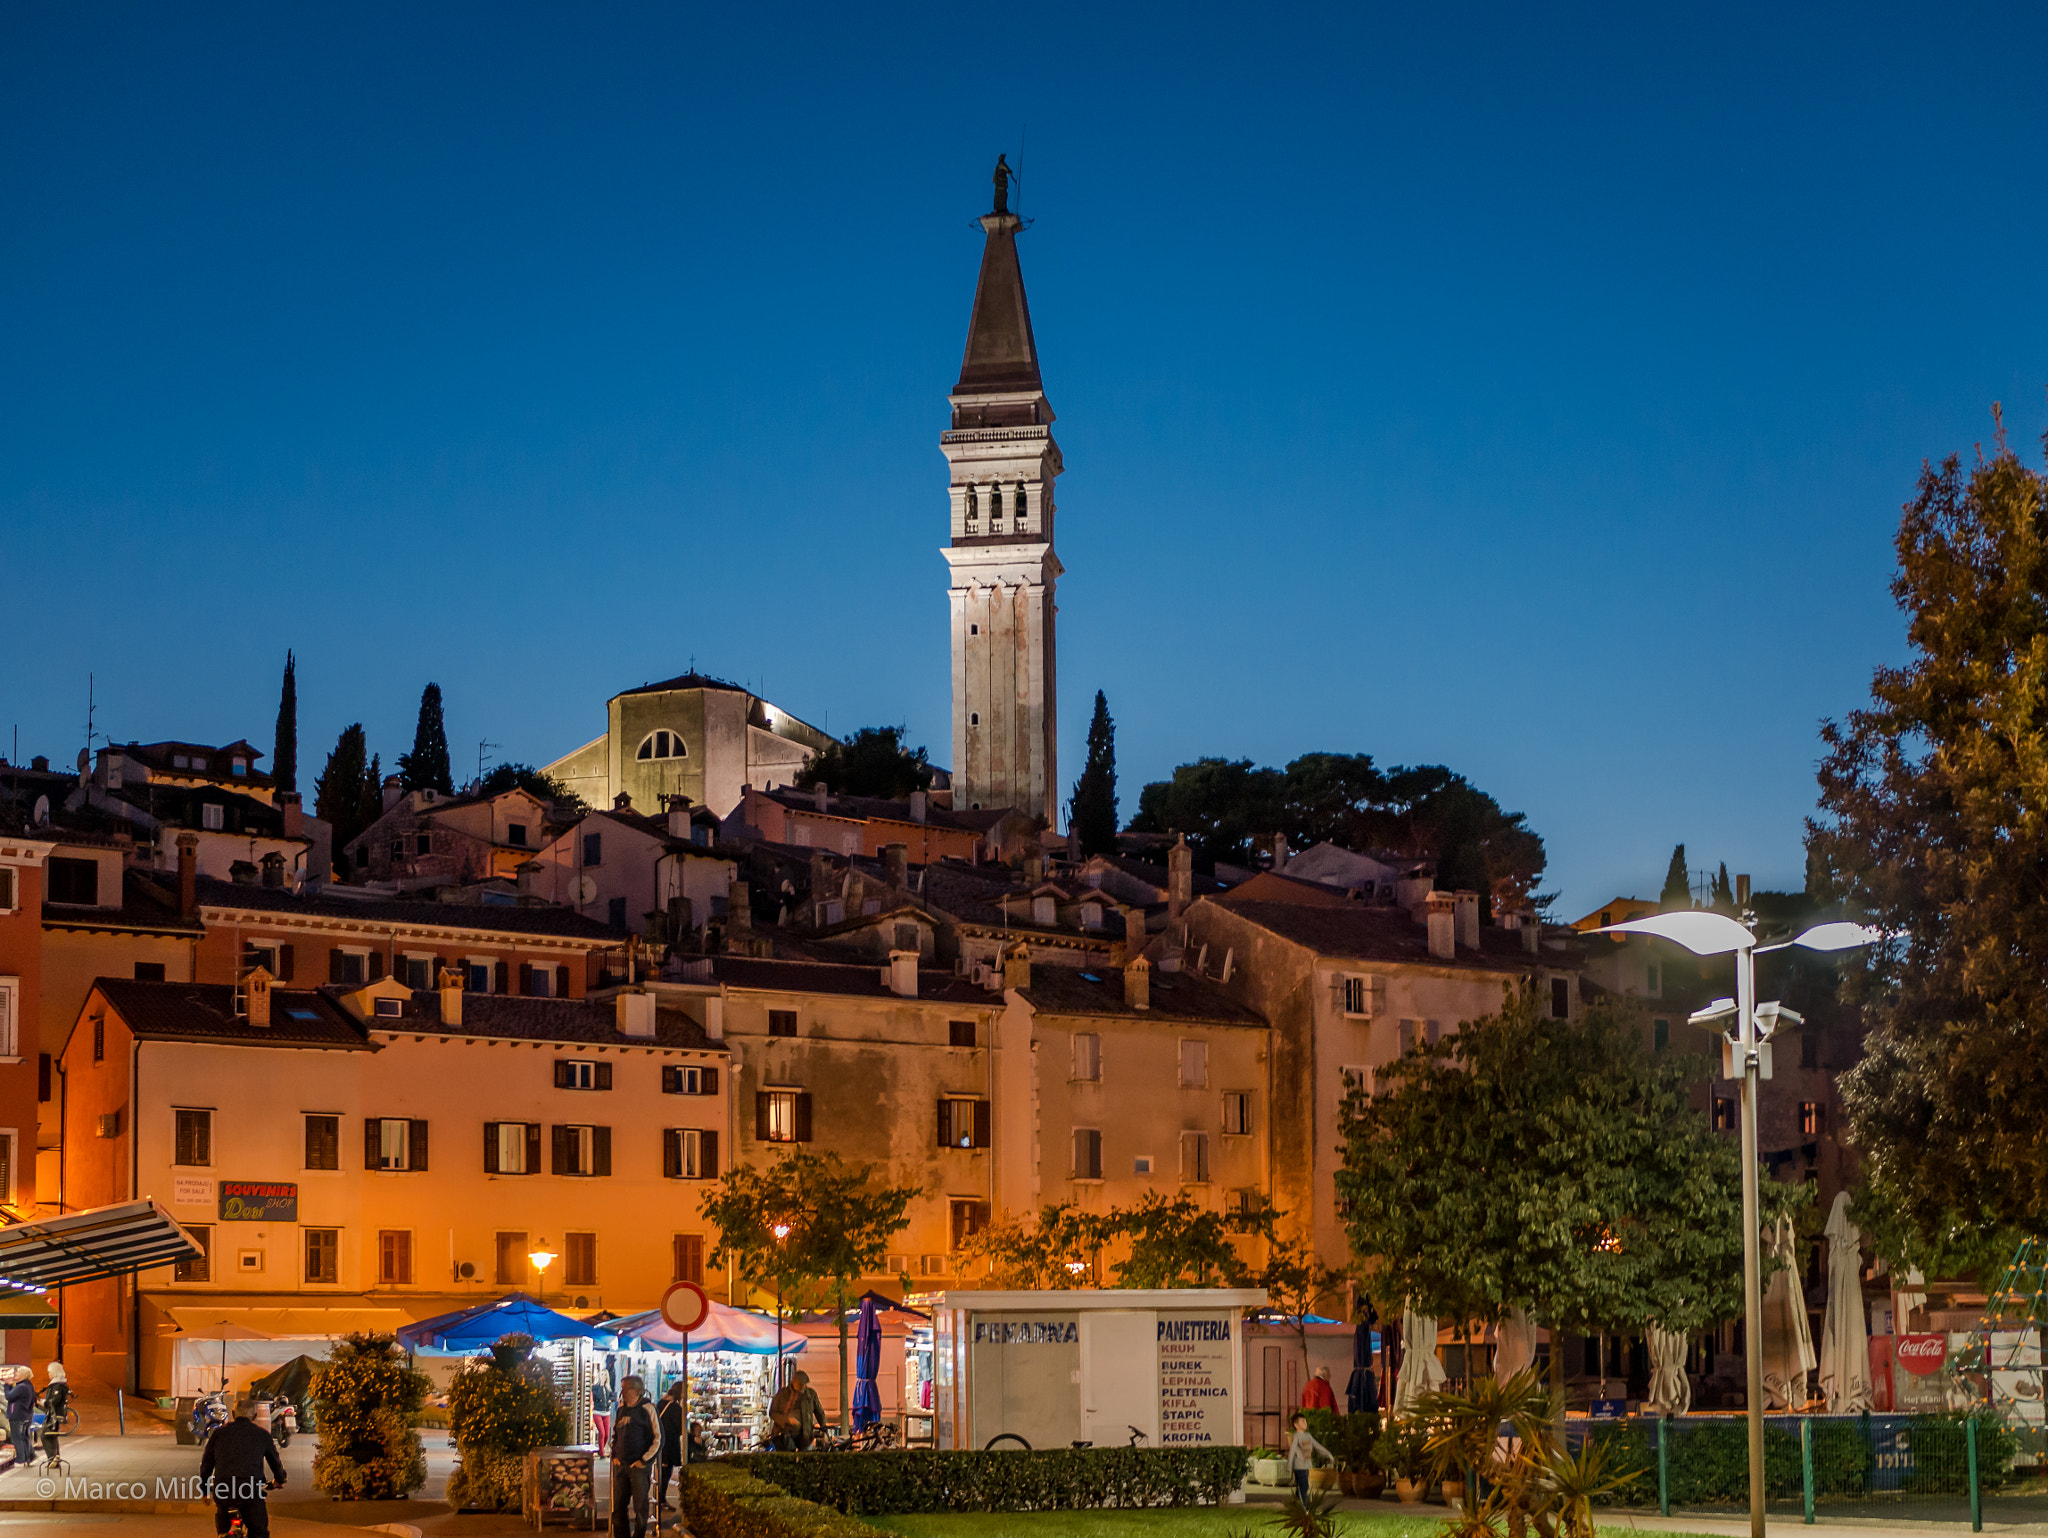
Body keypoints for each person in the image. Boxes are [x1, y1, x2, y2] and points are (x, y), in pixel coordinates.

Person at [199, 1398, 286, 1538]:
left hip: (223, 1489)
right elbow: (275, 1462)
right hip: (250, 1490)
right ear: (255, 1416)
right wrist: (280, 1479)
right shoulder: (262, 1435)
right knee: (259, 1531)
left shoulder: (219, 1434)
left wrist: (204, 1491)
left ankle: (223, 1533)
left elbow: (207, 1464)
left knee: (223, 1525)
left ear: (233, 1414)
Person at [608, 1374, 656, 1538]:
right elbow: (615, 1434)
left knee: (640, 1508)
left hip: (639, 1467)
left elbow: (658, 1438)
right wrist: (614, 1454)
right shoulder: (621, 1408)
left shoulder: (647, 1409)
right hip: (621, 1465)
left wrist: (644, 1460)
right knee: (619, 1508)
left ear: (635, 1390)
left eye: (625, 1388)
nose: (622, 1391)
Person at [1285, 1411, 1334, 1506]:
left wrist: (1328, 1454)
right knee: (1304, 1486)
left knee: (1301, 1487)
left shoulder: (1308, 1436)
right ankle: (1303, 1506)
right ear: (1296, 1424)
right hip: (1299, 1466)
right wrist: (1289, 1466)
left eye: (1306, 1421)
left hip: (1306, 1465)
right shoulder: (1296, 1437)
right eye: (1303, 1421)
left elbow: (1317, 1446)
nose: (1305, 1423)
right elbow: (1292, 1451)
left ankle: (1295, 1505)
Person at [655, 1382, 683, 1509]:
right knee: (666, 1473)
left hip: (660, 1443)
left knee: (661, 1472)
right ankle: (661, 1500)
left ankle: (660, 1499)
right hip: (670, 1444)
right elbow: (680, 1428)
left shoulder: (660, 1403)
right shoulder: (676, 1408)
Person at [37, 1364, 69, 1468]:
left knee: (45, 1435)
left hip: (53, 1415)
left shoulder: (57, 1386)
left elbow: (54, 1401)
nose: (48, 1374)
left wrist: (44, 1402)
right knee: (52, 1435)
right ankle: (55, 1458)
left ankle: (52, 1458)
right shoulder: (58, 1384)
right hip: (53, 1414)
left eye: (49, 1372)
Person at [788, 1370, 825, 1452]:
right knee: (789, 1458)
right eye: (800, 1384)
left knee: (806, 1457)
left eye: (804, 1384)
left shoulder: (811, 1394)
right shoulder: (786, 1393)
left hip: (805, 1435)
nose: (803, 1386)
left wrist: (824, 1428)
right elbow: (775, 1412)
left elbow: (819, 1412)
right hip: (788, 1434)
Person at [4, 1369, 33, 1469]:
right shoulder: (29, 1386)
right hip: (26, 1415)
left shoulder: (21, 1386)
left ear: (23, 1375)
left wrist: (7, 1385)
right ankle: (27, 1459)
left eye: (17, 1372)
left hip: (17, 1415)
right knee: (24, 1438)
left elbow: (9, 1396)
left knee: (17, 1438)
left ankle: (21, 1460)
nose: (15, 1374)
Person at [590, 1368, 615, 1456]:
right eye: (602, 1374)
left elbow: (614, 1397)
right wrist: (601, 1385)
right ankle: (601, 1452)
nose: (603, 1376)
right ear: (599, 1376)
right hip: (598, 1412)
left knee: (607, 1434)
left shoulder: (608, 1387)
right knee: (602, 1432)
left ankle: (601, 1448)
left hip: (606, 1412)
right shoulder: (595, 1387)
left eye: (605, 1375)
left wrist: (610, 1400)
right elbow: (597, 1397)